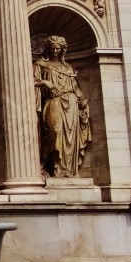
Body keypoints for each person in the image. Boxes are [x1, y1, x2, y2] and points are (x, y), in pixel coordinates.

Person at [34, 35, 90, 178]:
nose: (55, 51)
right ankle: (42, 162)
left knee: (69, 138)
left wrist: (82, 102)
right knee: (56, 130)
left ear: (62, 50)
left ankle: (64, 170)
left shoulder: (68, 67)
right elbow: (29, 80)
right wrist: (45, 82)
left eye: (58, 49)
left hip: (71, 103)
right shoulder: (41, 64)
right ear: (47, 49)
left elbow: (75, 87)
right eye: (52, 48)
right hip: (53, 101)